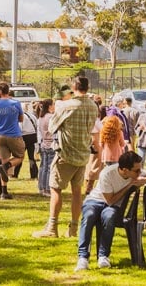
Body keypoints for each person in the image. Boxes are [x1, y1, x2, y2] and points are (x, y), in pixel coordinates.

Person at [33, 76, 97, 239]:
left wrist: (60, 105)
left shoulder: (67, 106)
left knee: (55, 189)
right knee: (77, 192)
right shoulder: (93, 105)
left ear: (74, 87)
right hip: (83, 154)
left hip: (66, 154)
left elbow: (52, 127)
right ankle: (73, 229)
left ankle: (52, 227)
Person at [75, 151, 146, 271]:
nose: (139, 173)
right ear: (125, 170)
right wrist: (130, 185)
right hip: (96, 200)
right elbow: (110, 200)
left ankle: (103, 256)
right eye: (136, 171)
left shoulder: (135, 172)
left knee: (109, 217)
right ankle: (83, 257)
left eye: (139, 170)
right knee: (89, 216)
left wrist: (145, 180)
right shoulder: (107, 173)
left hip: (113, 206)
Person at [0, 82, 24, 200]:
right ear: (8, 91)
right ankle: (7, 166)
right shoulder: (15, 103)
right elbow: (21, 118)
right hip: (14, 134)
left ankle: (3, 192)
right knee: (20, 157)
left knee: (3, 161)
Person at [13, 103, 38, 180]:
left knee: (19, 156)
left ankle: (15, 174)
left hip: (23, 137)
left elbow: (19, 128)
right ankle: (34, 174)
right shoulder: (32, 116)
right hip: (32, 136)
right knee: (31, 157)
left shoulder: (20, 117)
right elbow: (36, 125)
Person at [36, 99, 55, 197]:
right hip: (51, 144)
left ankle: (41, 187)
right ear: (49, 106)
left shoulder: (41, 117)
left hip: (43, 143)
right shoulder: (51, 117)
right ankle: (47, 189)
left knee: (43, 167)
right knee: (49, 167)